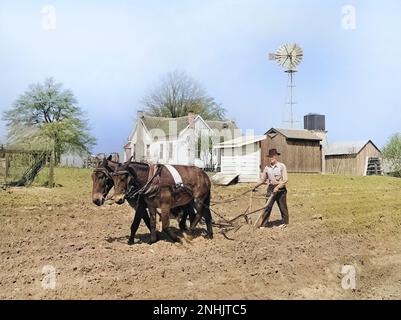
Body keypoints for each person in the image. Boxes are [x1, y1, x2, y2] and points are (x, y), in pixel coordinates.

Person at [253, 148, 289, 227]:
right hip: (271, 188)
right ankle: (264, 224)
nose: (271, 158)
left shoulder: (281, 166)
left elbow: (285, 179)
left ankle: (285, 223)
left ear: (276, 156)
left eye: (273, 156)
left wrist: (278, 187)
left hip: (281, 190)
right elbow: (262, 179)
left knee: (282, 206)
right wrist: (255, 186)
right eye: (270, 157)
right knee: (267, 206)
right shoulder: (267, 168)